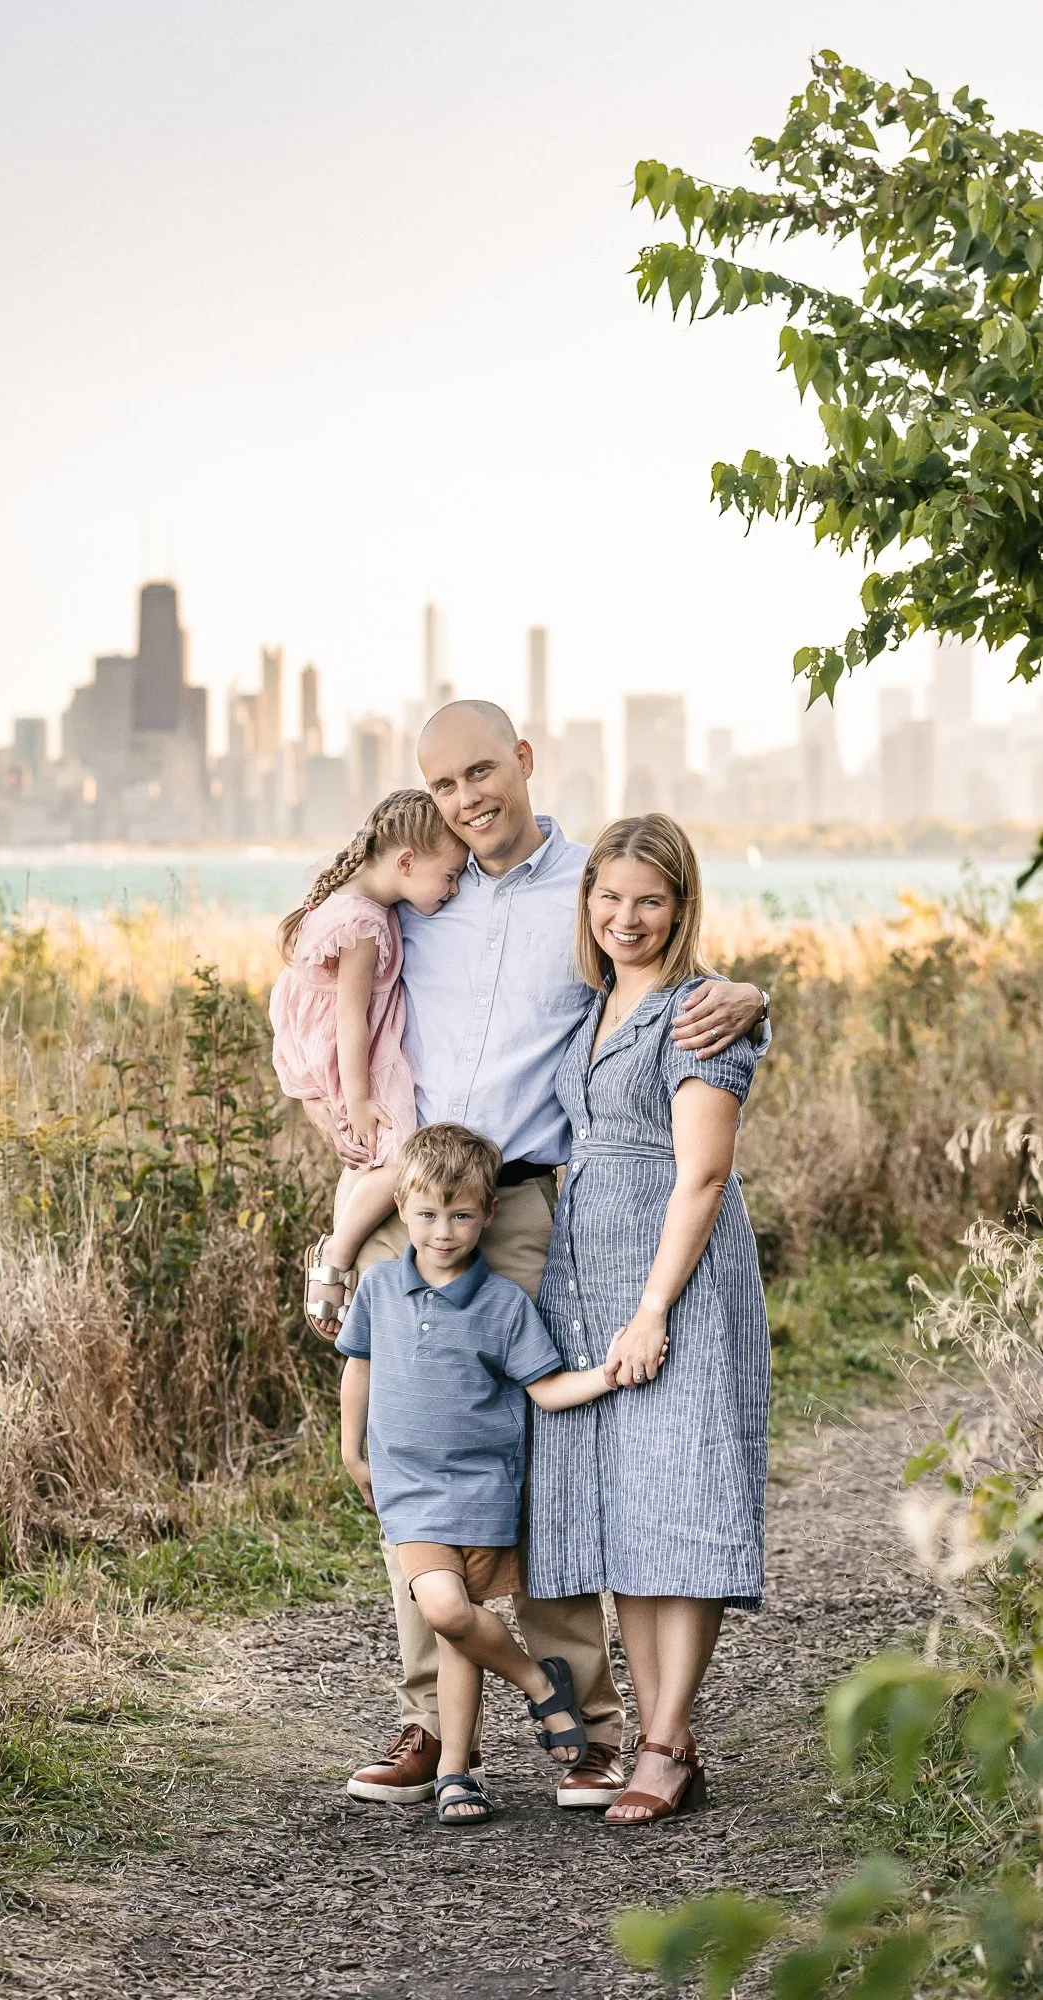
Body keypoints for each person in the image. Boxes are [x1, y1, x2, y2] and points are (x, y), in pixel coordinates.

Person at [301, 700, 768, 1808]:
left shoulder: (587, 889)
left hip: (523, 1211)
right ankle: (429, 1717)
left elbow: (677, 996)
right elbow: (324, 957)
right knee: (417, 1459)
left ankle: (591, 1730)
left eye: (481, 772)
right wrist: (342, 1211)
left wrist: (757, 1003)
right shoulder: (425, 893)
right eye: (444, 783)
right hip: (411, 1205)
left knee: (547, 1461)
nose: (469, 798)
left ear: (521, 760)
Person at [526, 812, 771, 1825]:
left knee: (684, 1499)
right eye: (609, 896)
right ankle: (657, 1731)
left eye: (650, 900)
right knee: (630, 1511)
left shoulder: (702, 1011)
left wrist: (652, 1310)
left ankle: (665, 1739)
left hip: (677, 1274)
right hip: (587, 1274)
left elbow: (702, 1172)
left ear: (680, 907)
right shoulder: (589, 1003)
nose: (625, 917)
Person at [337, 1124, 630, 1825]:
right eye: (428, 1214)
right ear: (401, 1206)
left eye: (461, 1215)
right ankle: (537, 1681)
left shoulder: (502, 1304)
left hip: (481, 1492)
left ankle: (455, 1773)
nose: (443, 1232)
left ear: (488, 1215)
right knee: (442, 1609)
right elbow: (359, 1367)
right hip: (410, 1492)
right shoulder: (380, 1287)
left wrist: (607, 1375)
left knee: (458, 1628)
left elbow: (546, 1387)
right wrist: (351, 1448)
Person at [270, 789, 467, 1334]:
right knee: (402, 1159)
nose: (452, 889)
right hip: (353, 1055)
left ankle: (342, 1265)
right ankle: (335, 1255)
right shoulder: (364, 925)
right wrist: (357, 1096)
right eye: (448, 876)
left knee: (371, 1163)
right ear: (406, 862)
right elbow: (351, 1018)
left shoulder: (350, 903)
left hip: (320, 1045)